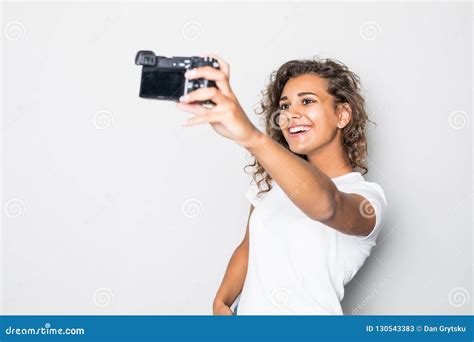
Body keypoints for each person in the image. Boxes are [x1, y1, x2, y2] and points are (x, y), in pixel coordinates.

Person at [176, 54, 388, 315]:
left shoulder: (367, 198)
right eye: (284, 106)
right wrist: (221, 301)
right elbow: (249, 245)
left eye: (307, 101)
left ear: (342, 114)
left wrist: (252, 138)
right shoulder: (271, 187)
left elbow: (327, 206)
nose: (291, 115)